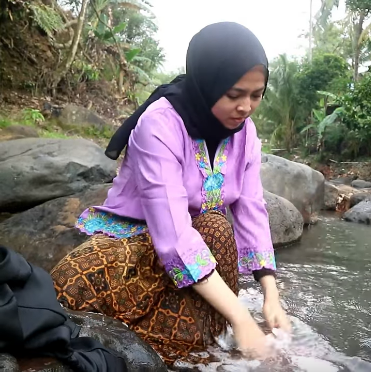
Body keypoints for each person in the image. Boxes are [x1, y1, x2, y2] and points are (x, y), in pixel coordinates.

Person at [49, 22, 291, 366]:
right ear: (207, 85)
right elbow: (173, 233)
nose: (246, 107)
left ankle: (200, 341)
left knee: (216, 227)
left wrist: (271, 295)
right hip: (136, 241)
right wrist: (241, 317)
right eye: (234, 95)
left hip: (201, 242)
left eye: (256, 95)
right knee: (69, 287)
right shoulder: (159, 124)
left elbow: (251, 207)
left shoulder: (245, 133)